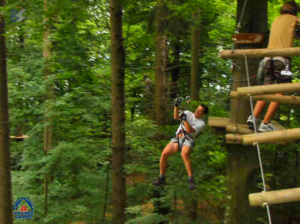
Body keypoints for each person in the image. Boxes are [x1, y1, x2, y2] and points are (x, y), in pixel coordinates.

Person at [247, 1, 300, 132]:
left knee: (266, 90)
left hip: (267, 59)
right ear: (295, 10)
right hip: (281, 61)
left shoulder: (276, 20)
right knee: (280, 92)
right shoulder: (294, 19)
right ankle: (265, 122)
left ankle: (253, 117)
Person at [153, 99, 209, 189]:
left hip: (188, 139)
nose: (197, 111)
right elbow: (175, 117)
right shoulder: (187, 113)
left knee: (184, 154)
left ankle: (191, 180)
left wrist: (184, 120)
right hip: (178, 137)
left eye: (200, 111)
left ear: (203, 114)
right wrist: (176, 106)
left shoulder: (201, 123)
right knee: (164, 154)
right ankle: (161, 178)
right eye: (197, 109)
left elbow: (190, 130)